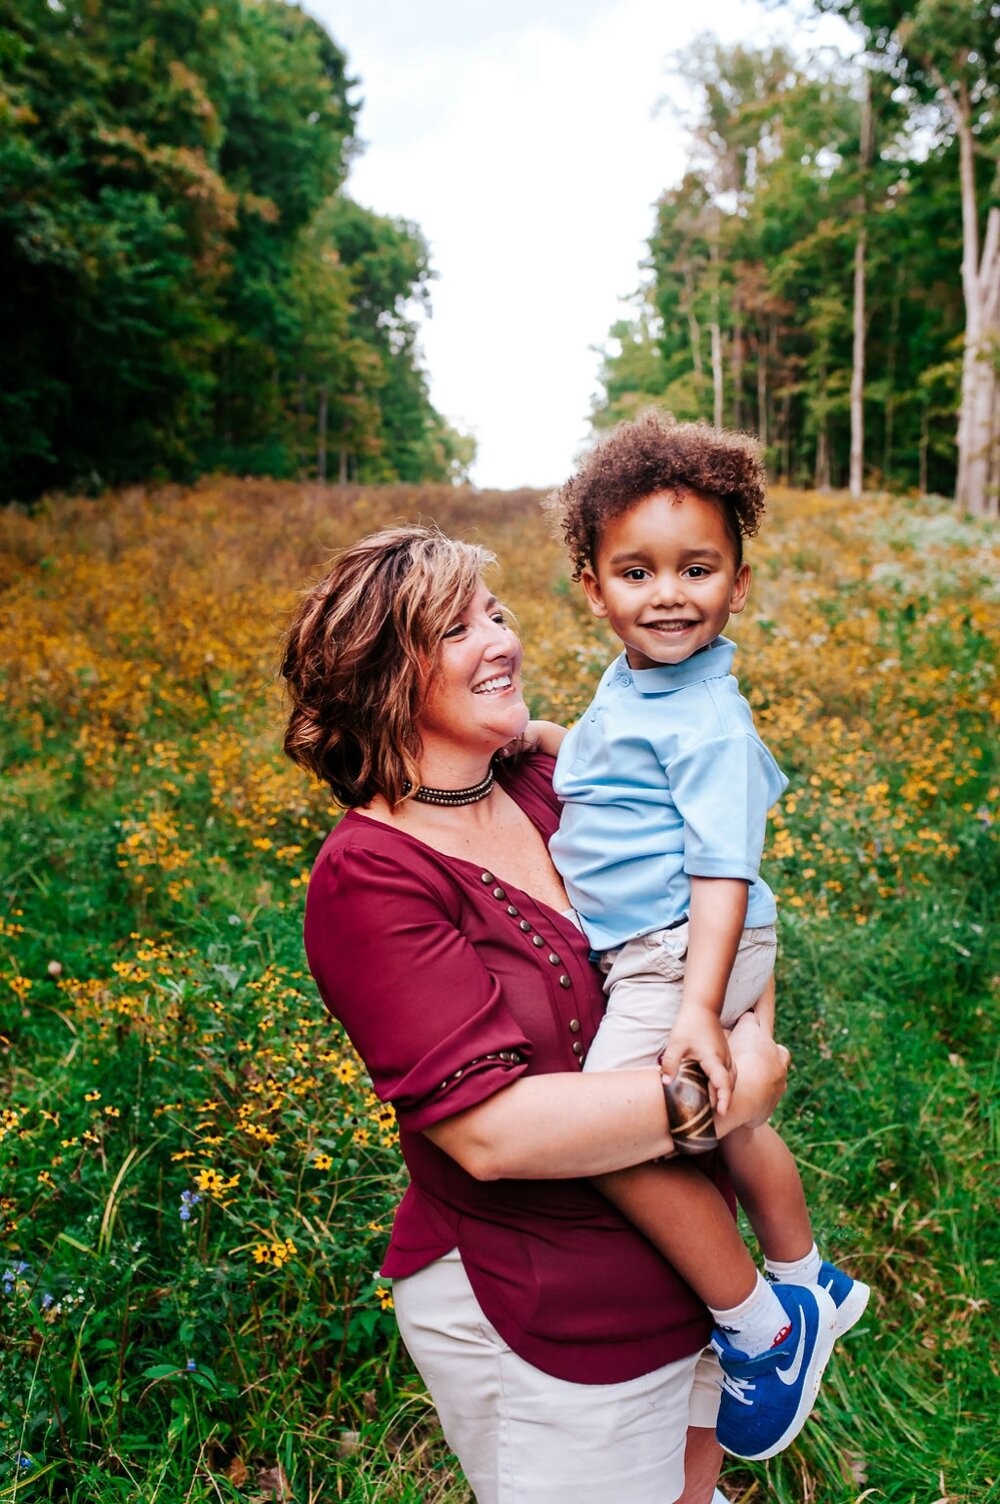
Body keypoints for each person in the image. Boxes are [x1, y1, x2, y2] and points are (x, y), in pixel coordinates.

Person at [280, 524, 792, 1504]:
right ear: (387, 676)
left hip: (691, 1273)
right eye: (458, 629)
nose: (503, 640)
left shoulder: (551, 783)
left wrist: (748, 1026)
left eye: (498, 613)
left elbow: (724, 897)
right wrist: (726, 1087)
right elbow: (493, 1133)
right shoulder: (371, 876)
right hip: (543, 1306)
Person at [529, 412, 869, 1463]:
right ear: (592, 586)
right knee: (726, 1124)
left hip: (684, 944)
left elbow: (724, 868)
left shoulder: (708, 718)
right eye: (636, 571)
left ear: (738, 580)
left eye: (697, 568)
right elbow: (605, 761)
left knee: (608, 1131)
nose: (667, 593)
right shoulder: (636, 681)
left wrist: (692, 1006)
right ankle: (811, 1271)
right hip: (675, 945)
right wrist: (533, 743)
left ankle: (764, 1328)